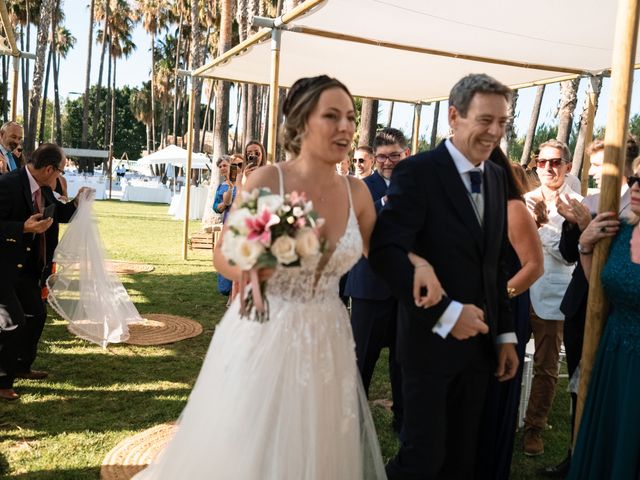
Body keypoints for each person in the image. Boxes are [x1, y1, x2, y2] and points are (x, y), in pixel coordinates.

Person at [134, 75, 392, 479]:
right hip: (265, 326)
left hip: (328, 331)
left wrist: (426, 266)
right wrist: (252, 268)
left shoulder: (357, 192)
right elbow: (224, 255)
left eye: (350, 117)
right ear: (303, 121)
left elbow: (384, 255)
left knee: (317, 443)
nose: (346, 126)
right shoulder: (269, 181)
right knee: (253, 441)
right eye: (332, 115)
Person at [370, 73, 519, 479]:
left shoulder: (496, 176)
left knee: (461, 460)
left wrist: (505, 334)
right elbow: (387, 253)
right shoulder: (417, 172)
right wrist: (448, 314)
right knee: (422, 459)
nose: (495, 132)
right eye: (485, 120)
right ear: (454, 116)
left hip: (480, 350)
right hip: (428, 347)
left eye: (503, 122)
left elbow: (496, 265)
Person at [541, 135, 639, 477]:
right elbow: (572, 252)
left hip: (616, 314)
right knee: (579, 387)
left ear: (624, 167)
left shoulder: (628, 209)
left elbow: (616, 267)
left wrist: (585, 224)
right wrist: (573, 226)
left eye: (599, 165)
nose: (594, 172)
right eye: (595, 165)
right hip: (581, 302)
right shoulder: (594, 200)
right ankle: (575, 452)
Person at [567, 167, 640, 479]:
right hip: (613, 351)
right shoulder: (623, 231)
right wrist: (585, 244)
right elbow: (601, 289)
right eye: (635, 179)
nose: (635, 187)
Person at [475, 148, 544, 480]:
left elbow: (533, 266)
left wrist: (494, 299)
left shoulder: (512, 208)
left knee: (494, 390)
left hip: (504, 307)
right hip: (471, 308)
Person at [0, 144, 84, 400]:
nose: (61, 175)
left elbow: (58, 214)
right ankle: (3, 381)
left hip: (26, 269)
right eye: (61, 170)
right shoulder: (8, 184)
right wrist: (22, 229)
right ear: (49, 169)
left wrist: (78, 201)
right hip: (3, 268)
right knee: (13, 322)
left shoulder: (45, 188)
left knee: (36, 314)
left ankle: (22, 366)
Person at [344, 127, 410, 433]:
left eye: (394, 155)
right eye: (382, 157)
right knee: (362, 359)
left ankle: (403, 417)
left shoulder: (416, 186)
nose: (387, 162)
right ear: (374, 158)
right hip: (370, 287)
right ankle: (354, 419)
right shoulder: (362, 188)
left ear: (405, 154)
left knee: (403, 359)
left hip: (406, 290)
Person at [522, 139, 582, 457]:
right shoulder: (524, 199)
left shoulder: (578, 204)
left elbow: (568, 256)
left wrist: (539, 226)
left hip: (552, 297)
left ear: (568, 167)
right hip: (517, 294)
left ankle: (534, 427)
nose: (548, 167)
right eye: (542, 161)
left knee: (546, 367)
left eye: (555, 162)